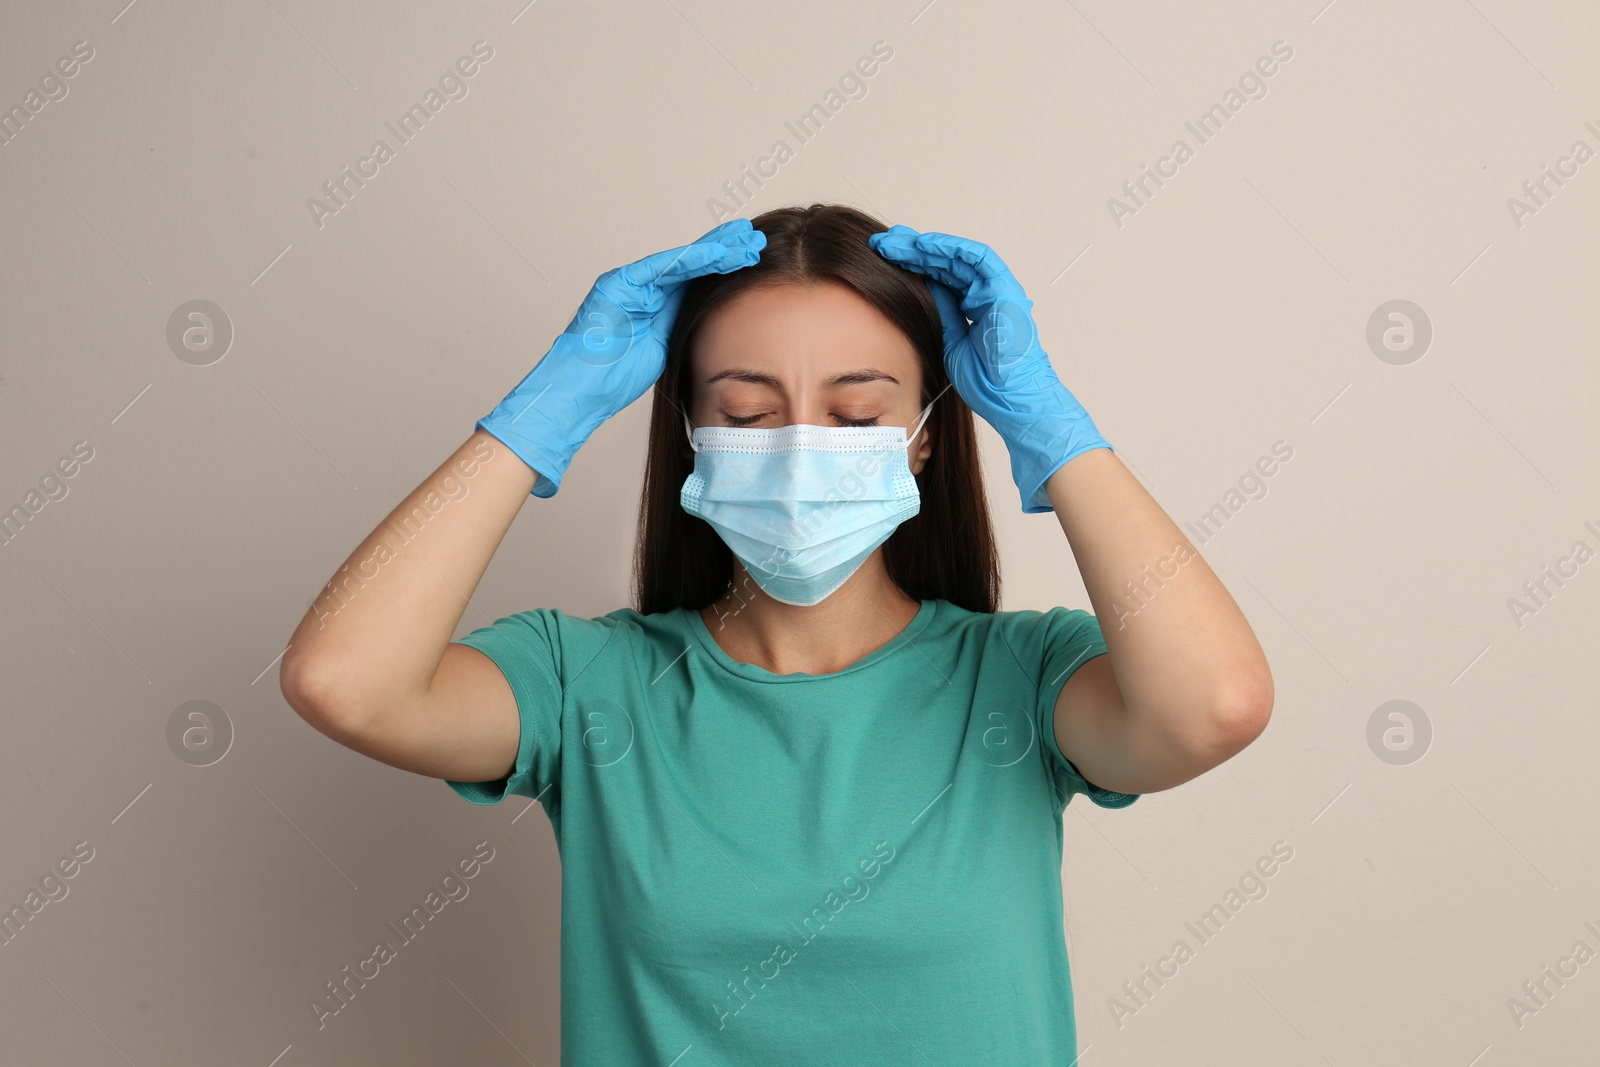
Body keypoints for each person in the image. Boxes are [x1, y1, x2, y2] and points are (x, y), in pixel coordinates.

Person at [280, 203, 1273, 1065]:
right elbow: (344, 680)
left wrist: (1049, 425)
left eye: (854, 413)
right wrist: (544, 411)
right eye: (748, 411)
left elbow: (1215, 704)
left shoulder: (1018, 681)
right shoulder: (589, 682)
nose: (800, 445)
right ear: (691, 431)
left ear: (925, 433)